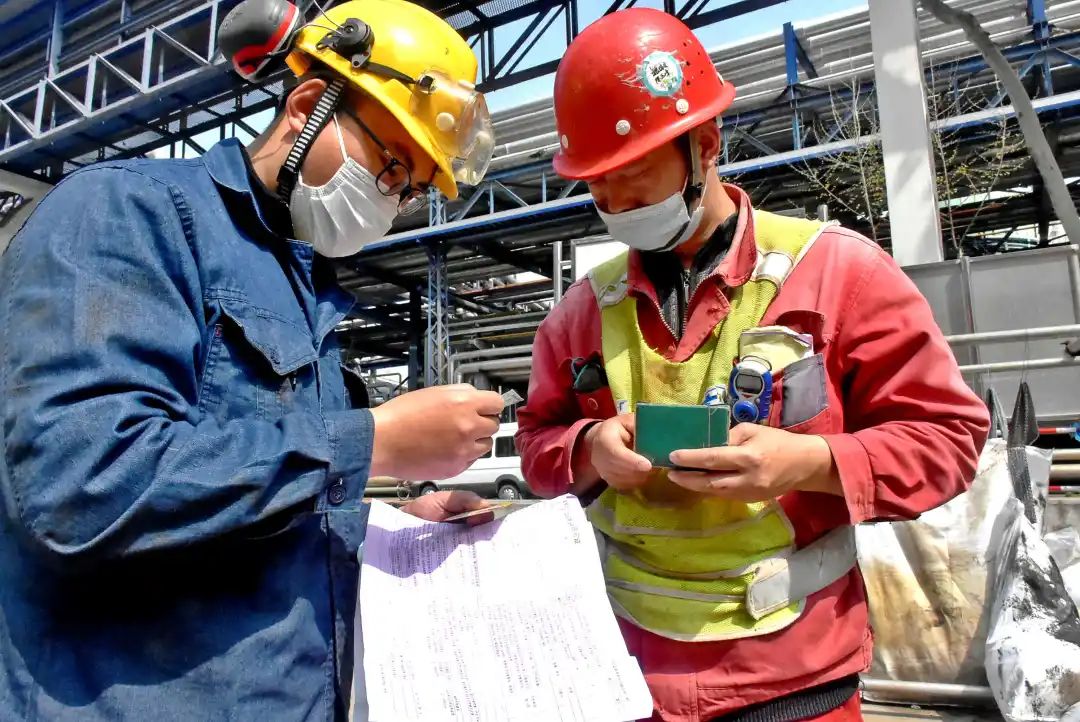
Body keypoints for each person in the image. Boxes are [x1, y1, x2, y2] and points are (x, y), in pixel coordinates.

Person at [0, 0, 501, 719]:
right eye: (391, 166)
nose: (391, 201)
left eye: (412, 189)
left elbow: (250, 501)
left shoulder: (303, 285)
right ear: (305, 105)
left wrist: (382, 523)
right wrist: (375, 442)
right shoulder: (127, 213)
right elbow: (78, 487)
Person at [516, 9, 990, 722]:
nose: (614, 207)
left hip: (793, 683)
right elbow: (535, 446)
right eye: (597, 189)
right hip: (623, 675)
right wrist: (588, 451)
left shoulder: (838, 274)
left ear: (704, 146)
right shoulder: (581, 312)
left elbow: (949, 440)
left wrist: (809, 463)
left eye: (632, 180)